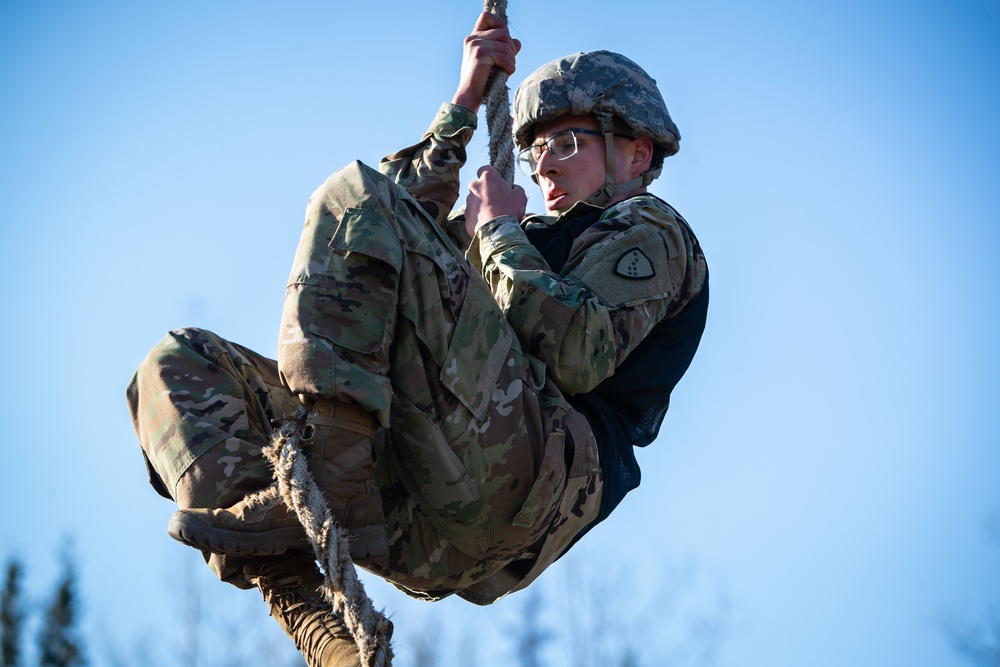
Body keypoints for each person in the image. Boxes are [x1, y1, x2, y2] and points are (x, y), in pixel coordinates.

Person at [126, 11, 708, 667]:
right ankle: (303, 599)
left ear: (638, 152)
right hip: (416, 509)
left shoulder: (648, 227)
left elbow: (576, 354)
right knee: (179, 366)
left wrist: (497, 233)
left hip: (526, 480)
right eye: (534, 146)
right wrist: (463, 105)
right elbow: (378, 232)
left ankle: (334, 474)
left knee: (353, 195)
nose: (543, 159)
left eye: (568, 140)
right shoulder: (518, 232)